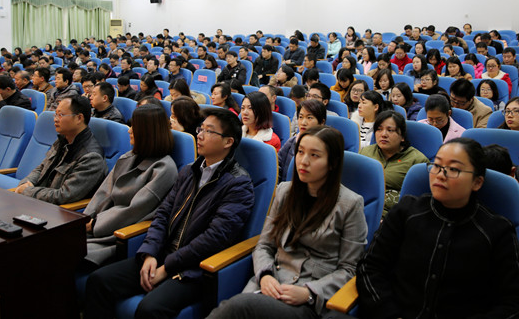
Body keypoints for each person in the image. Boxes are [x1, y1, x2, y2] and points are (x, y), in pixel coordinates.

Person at [85, 108, 255, 319]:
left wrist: (167, 267)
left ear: (228, 142)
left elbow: (215, 238)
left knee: (150, 309)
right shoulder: (189, 171)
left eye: (209, 131)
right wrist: (149, 253)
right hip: (162, 254)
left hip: (194, 268)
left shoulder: (238, 184)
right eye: (200, 129)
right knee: (99, 281)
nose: (200, 135)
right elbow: (163, 215)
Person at [357, 137, 519, 318]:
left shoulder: (497, 230)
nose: (440, 175)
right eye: (437, 165)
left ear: (477, 182)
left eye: (453, 169)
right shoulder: (406, 212)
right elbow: (370, 268)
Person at [206, 126, 367, 319]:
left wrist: (309, 292)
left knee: (238, 307)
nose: (303, 161)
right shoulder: (285, 191)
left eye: (314, 155)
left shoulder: (350, 204)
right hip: (270, 285)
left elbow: (349, 269)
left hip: (306, 301)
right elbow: (264, 245)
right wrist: (265, 275)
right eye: (300, 152)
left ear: (332, 163)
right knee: (239, 307)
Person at [82, 105, 178, 267]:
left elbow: (133, 210)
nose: (129, 130)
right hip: (95, 226)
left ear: (148, 132)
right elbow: (103, 192)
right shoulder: (128, 157)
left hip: (115, 235)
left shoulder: (164, 169)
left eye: (134, 127)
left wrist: (95, 224)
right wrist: (85, 219)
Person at [15, 95, 106, 204]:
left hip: (57, 210)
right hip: (39, 200)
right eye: (56, 114)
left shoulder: (91, 157)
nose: (55, 119)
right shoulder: (63, 139)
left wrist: (27, 191)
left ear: (79, 118)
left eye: (61, 115)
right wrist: (26, 182)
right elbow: (42, 167)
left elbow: (63, 195)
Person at [360, 110, 429, 215]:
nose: (383, 134)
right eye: (379, 129)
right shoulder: (365, 152)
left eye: (390, 130)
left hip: (391, 215)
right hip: (360, 208)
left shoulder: (417, 161)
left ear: (402, 137)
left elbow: (416, 204)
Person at [277, 99, 326, 182]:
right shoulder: (292, 141)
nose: (303, 122)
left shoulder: (325, 147)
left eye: (309, 118)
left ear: (321, 122)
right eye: (300, 117)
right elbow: (278, 166)